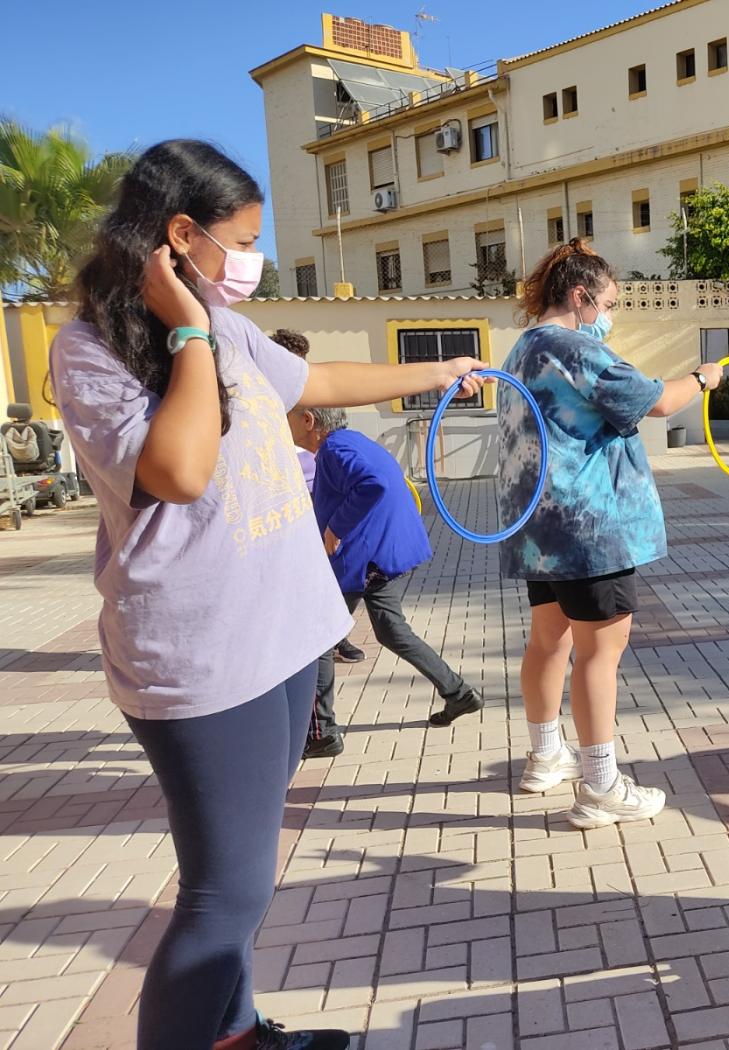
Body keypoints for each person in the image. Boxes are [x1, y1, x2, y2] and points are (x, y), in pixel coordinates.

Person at [46, 140, 489, 1050]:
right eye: (240, 240)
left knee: (244, 880)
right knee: (224, 895)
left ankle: (237, 1032)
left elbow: (316, 381)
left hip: (288, 635)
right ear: (180, 234)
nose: (250, 261)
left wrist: (440, 374)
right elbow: (176, 467)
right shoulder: (89, 348)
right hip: (206, 656)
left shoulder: (220, 318)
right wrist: (191, 334)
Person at [497, 239, 721, 830]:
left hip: (538, 530)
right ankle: (600, 786)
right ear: (581, 296)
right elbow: (657, 402)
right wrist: (703, 377)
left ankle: (546, 756)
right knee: (600, 654)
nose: (612, 313)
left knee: (549, 641)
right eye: (610, 302)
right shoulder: (573, 347)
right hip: (588, 527)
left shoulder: (522, 348)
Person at [288, 406, 484, 757]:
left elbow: (371, 484)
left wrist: (335, 527)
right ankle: (458, 693)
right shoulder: (352, 441)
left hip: (362, 560)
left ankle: (323, 732)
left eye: (289, 415)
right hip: (377, 556)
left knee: (319, 637)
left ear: (308, 421)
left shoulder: (334, 448)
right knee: (392, 631)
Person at [268, 328, 365, 666]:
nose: (298, 373)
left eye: (302, 365)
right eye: (292, 365)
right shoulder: (264, 403)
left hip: (317, 499)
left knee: (324, 574)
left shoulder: (308, 395)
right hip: (283, 502)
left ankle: (333, 637)